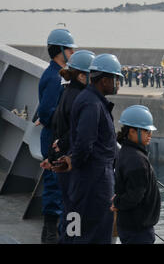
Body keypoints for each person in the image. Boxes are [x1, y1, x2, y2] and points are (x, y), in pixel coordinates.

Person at [53, 53, 123, 244]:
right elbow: (84, 143)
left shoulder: (90, 99)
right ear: (105, 80)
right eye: (116, 79)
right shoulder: (92, 104)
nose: (118, 84)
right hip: (95, 181)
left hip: (88, 177)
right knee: (94, 231)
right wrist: (75, 162)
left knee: (75, 227)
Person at [41, 50, 95, 243]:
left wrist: (53, 154)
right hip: (73, 167)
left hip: (65, 162)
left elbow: (58, 129)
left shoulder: (68, 93)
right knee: (75, 213)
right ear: (82, 75)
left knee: (69, 210)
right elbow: (77, 135)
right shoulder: (81, 99)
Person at [36, 28, 76, 244]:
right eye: (70, 48)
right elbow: (46, 111)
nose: (72, 51)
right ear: (60, 50)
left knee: (59, 184)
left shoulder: (55, 74)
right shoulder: (54, 77)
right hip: (54, 138)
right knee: (54, 185)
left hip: (55, 137)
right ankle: (50, 234)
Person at [111, 105, 161, 244]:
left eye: (150, 130)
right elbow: (134, 196)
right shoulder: (137, 160)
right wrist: (117, 202)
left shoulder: (126, 152)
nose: (150, 134)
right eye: (146, 130)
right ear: (132, 131)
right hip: (138, 230)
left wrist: (118, 201)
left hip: (130, 226)